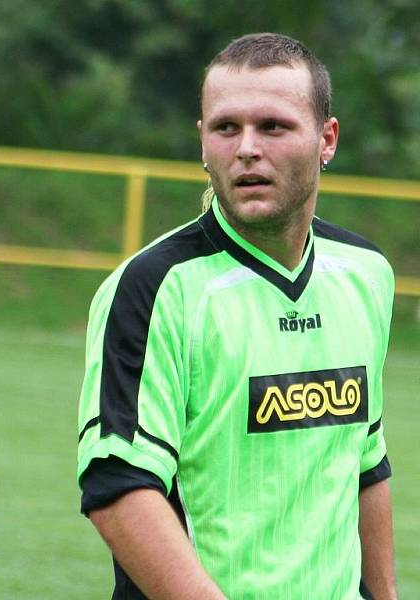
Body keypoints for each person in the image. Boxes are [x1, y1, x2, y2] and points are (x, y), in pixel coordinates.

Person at [77, 33, 397, 600]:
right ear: (203, 141)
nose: (247, 148)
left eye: (273, 127)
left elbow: (365, 464)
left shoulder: (366, 275)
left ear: (327, 139)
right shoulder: (153, 289)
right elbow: (119, 488)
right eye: (226, 128)